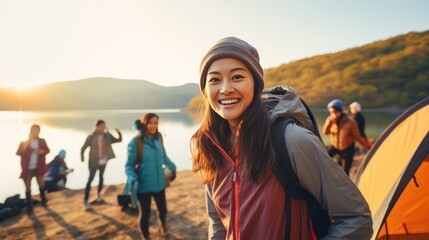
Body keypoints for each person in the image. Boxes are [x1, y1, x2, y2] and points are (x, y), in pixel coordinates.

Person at [190, 37, 373, 239]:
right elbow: (217, 222)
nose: (225, 89)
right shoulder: (210, 145)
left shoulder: (292, 140)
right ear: (206, 91)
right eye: (214, 79)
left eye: (237, 77)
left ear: (255, 85)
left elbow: (356, 218)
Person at [125, 114, 177, 239]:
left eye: (156, 123)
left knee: (163, 210)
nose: (153, 126)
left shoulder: (159, 137)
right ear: (144, 124)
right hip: (143, 186)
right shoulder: (136, 142)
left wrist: (173, 167)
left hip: (160, 183)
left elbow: (163, 157)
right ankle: (145, 236)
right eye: (150, 123)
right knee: (145, 214)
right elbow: (129, 166)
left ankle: (163, 225)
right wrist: (133, 178)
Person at [81, 119, 122, 210]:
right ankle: (85, 200)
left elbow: (118, 140)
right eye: (101, 126)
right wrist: (82, 157)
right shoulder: (91, 136)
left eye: (104, 126)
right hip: (93, 162)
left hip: (104, 161)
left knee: (101, 177)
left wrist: (119, 133)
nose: (103, 127)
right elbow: (83, 147)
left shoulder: (107, 135)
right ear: (96, 126)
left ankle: (99, 196)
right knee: (90, 179)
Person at [323, 99, 371, 175]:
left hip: (347, 149)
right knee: (322, 159)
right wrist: (329, 122)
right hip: (335, 146)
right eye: (331, 112)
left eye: (335, 111)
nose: (334, 114)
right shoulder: (331, 120)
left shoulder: (351, 122)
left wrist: (368, 147)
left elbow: (358, 137)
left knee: (345, 172)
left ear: (340, 111)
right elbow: (325, 132)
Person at [16, 124, 50, 212]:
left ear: (39, 131)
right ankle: (29, 205)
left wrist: (42, 151)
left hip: (38, 167)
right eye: (33, 130)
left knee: (41, 185)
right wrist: (29, 150)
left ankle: (43, 201)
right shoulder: (24, 142)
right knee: (28, 187)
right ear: (30, 130)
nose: (35, 132)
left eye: (37, 131)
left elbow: (47, 150)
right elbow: (18, 152)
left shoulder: (42, 141)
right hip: (28, 168)